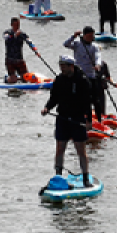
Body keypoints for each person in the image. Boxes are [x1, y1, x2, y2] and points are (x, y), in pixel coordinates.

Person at [41, 54, 93, 187]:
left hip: (77, 119)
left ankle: (86, 178)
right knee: (60, 149)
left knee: (81, 150)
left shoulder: (82, 80)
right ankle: (58, 177)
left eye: (64, 67)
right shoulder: (59, 80)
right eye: (60, 67)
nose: (61, 69)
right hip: (62, 118)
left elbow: (87, 102)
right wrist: (47, 108)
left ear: (71, 66)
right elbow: (54, 98)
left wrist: (89, 120)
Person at [64, 26, 106, 120]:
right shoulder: (77, 44)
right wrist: (74, 35)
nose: (91, 37)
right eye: (89, 35)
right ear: (84, 35)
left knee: (95, 100)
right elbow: (65, 44)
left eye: (92, 35)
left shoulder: (94, 47)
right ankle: (80, 117)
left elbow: (98, 57)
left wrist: (98, 65)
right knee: (79, 99)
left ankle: (99, 119)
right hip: (79, 76)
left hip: (91, 76)